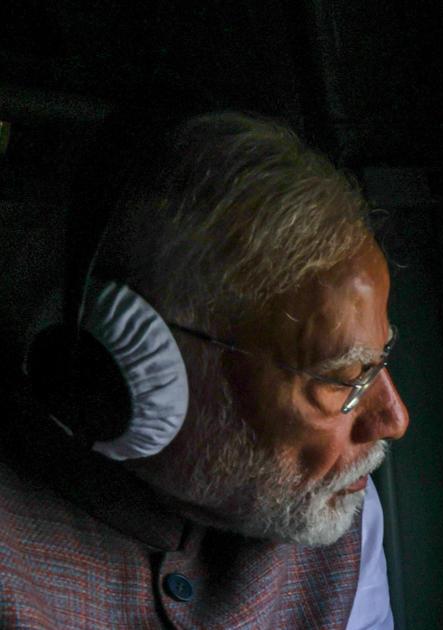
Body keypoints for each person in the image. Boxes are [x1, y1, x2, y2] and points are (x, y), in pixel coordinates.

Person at [0, 111, 408, 628]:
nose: (393, 418)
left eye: (380, 360)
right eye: (341, 377)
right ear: (140, 370)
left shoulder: (338, 505)